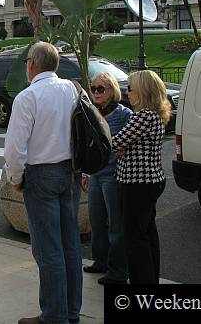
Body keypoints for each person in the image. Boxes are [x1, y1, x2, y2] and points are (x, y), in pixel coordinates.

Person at [3, 42, 82, 324]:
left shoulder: (28, 96)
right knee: (70, 245)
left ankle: (53, 316)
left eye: (27, 62)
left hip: (42, 175)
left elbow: (14, 148)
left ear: (33, 64)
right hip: (69, 171)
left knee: (48, 249)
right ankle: (71, 312)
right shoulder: (72, 90)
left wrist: (16, 178)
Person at [113, 70, 170, 285]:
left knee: (135, 240)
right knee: (147, 235)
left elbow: (115, 143)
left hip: (137, 183)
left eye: (130, 88)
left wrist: (120, 148)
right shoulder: (155, 115)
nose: (127, 93)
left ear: (143, 91)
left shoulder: (143, 116)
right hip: (150, 180)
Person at [84, 71, 131, 285]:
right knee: (97, 221)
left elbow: (126, 145)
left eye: (100, 89)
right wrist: (85, 171)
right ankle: (100, 261)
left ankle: (118, 271)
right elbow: (89, 146)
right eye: (93, 88)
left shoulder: (123, 115)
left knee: (115, 225)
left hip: (113, 175)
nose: (95, 93)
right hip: (95, 174)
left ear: (112, 90)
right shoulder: (92, 112)